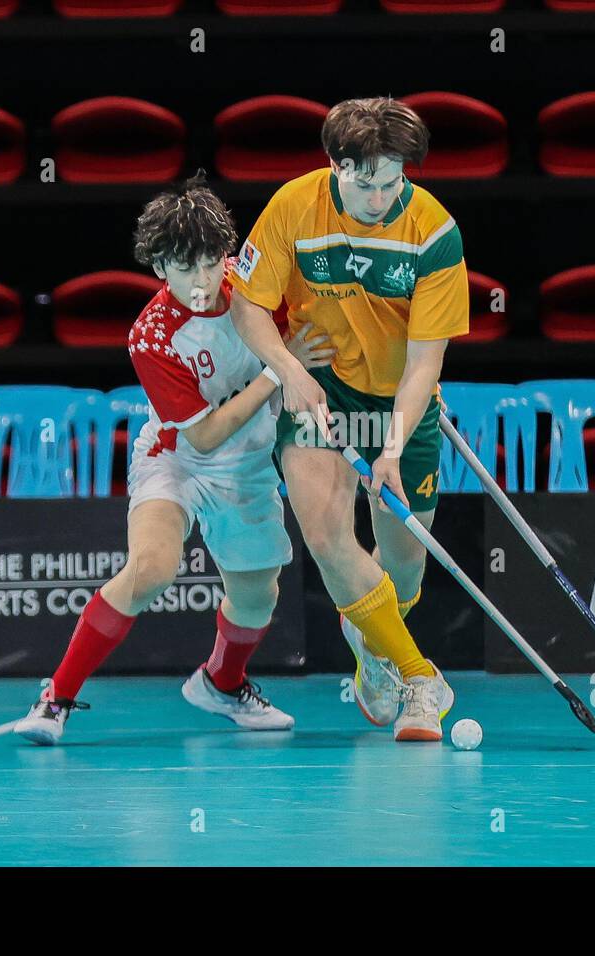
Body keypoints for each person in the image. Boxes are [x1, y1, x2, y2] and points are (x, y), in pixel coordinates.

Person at [15, 173, 333, 745]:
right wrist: (279, 370)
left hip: (251, 464)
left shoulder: (257, 289)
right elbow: (205, 436)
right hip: (178, 460)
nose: (203, 280)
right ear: (159, 267)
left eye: (212, 262)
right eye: (185, 267)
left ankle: (222, 683)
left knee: (259, 593)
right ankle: (56, 696)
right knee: (152, 568)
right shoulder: (153, 336)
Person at [225, 97, 470, 741]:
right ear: (336, 164)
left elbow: (426, 363)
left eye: (395, 181)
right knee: (328, 537)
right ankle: (421, 679)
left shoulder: (434, 231)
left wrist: (391, 448)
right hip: (324, 392)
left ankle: (372, 645)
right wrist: (290, 369)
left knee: (405, 568)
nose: (382, 196)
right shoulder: (292, 207)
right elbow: (249, 305)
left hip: (401, 406)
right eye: (368, 182)